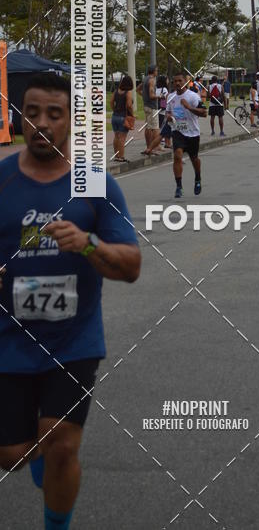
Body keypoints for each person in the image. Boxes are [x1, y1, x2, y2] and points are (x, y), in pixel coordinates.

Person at [0, 72, 140, 530]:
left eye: (54, 114)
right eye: (32, 113)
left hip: (73, 341)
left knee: (61, 445)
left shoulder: (95, 185)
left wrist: (86, 244)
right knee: (14, 455)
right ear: (20, 118)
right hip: (8, 341)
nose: (41, 123)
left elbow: (131, 266)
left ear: (71, 123)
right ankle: (34, 455)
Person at [166, 72, 207, 198]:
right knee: (177, 155)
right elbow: (167, 113)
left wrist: (189, 107)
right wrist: (169, 117)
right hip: (178, 131)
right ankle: (179, 186)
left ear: (185, 82)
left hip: (193, 132)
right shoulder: (170, 97)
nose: (177, 83)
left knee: (194, 158)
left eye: (180, 81)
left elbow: (204, 113)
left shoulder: (193, 96)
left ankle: (198, 179)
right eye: (175, 81)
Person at [110, 75, 134, 162]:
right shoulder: (128, 93)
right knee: (122, 138)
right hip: (123, 117)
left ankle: (116, 155)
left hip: (114, 116)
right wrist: (132, 114)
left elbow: (111, 102)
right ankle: (121, 156)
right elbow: (129, 105)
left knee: (116, 137)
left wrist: (115, 110)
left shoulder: (116, 91)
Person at [140, 65, 160, 155]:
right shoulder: (152, 80)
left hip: (146, 105)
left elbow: (137, 89)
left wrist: (144, 97)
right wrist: (160, 96)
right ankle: (154, 147)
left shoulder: (145, 79)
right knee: (155, 128)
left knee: (148, 127)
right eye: (156, 71)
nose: (157, 72)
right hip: (152, 106)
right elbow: (152, 95)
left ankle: (148, 147)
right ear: (153, 71)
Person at [156, 75, 171, 149]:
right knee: (162, 124)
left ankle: (159, 138)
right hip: (163, 109)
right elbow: (167, 99)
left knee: (158, 125)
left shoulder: (156, 88)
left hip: (156, 108)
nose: (168, 81)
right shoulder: (164, 89)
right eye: (167, 80)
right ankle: (161, 138)